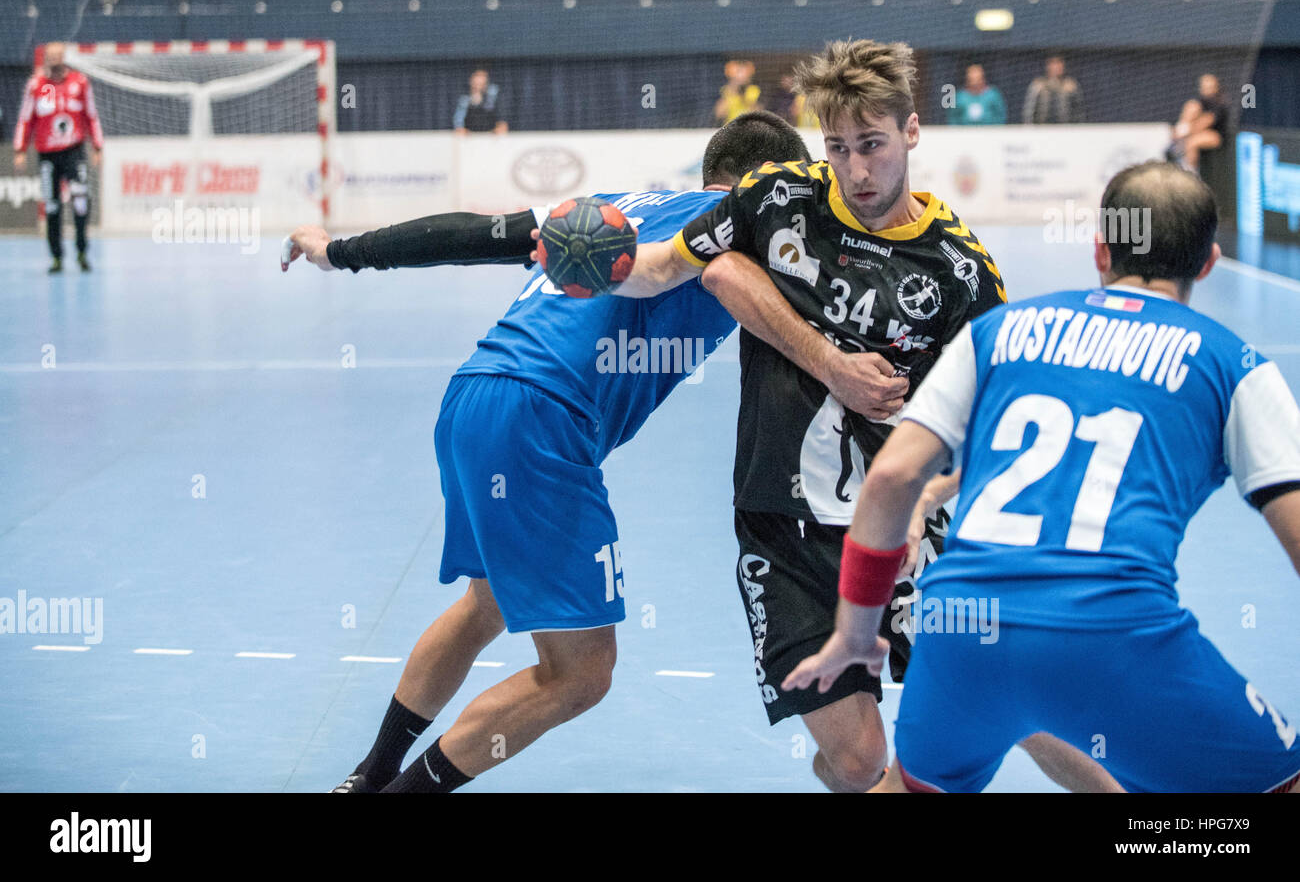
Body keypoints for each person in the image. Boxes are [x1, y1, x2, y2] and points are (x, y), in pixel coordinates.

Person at [608, 39, 1118, 792]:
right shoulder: (777, 199)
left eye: (873, 145)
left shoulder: (960, 271)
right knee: (854, 758)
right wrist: (592, 264)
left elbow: (994, 426)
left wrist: (933, 499)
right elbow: (671, 269)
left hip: (900, 531)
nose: (856, 169)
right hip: (782, 530)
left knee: (1017, 699)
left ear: (912, 131)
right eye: (838, 147)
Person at [283, 110, 814, 792]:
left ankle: (368, 776)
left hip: (475, 393)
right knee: (582, 671)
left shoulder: (610, 205)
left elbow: (469, 234)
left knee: (489, 603)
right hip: (543, 414)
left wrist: (341, 251)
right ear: (764, 179)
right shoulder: (743, 217)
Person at [785, 161, 1300, 793]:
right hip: (1115, 634)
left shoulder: (998, 332)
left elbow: (891, 478)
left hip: (962, 629)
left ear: (1100, 250)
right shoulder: (1235, 365)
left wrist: (855, 635)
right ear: (1208, 264)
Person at [13, 41, 104, 273]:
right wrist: (20, 150)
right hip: (48, 156)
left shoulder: (80, 82)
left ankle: (82, 251)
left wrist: (97, 146)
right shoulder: (38, 85)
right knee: (52, 207)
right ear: (45, 58)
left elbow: (91, 115)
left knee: (81, 202)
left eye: (58, 56)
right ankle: (56, 257)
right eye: (50, 56)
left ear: (64, 57)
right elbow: (26, 119)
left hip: (74, 152)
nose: (54, 60)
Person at [1167, 73, 1229, 173]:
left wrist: (1185, 133)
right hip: (1193, 132)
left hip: (1216, 136)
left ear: (1216, 87)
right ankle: (1179, 138)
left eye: (1209, 86)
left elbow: (1206, 122)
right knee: (1191, 106)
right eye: (1204, 86)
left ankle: (1191, 175)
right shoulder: (1198, 102)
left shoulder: (1219, 104)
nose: (1206, 89)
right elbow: (1190, 115)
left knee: (1192, 142)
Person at [1022, 55, 1085, 125]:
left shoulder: (1071, 85)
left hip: (1066, 129)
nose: (1056, 67)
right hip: (1041, 129)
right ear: (1047, 66)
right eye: (1053, 63)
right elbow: (1028, 111)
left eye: (1059, 63)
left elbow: (1079, 112)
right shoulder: (1038, 85)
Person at [453, 68, 508, 135]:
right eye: (476, 83)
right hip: (470, 135)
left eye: (481, 83)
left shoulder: (494, 93)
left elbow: (502, 116)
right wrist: (460, 127)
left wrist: (501, 124)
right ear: (471, 81)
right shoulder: (465, 97)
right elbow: (459, 118)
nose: (478, 85)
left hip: (491, 134)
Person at [714, 60, 761, 125]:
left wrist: (745, 97)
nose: (740, 77)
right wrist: (731, 92)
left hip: (749, 127)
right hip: (730, 127)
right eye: (738, 73)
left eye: (743, 73)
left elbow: (758, 113)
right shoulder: (726, 90)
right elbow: (719, 114)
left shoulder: (754, 90)